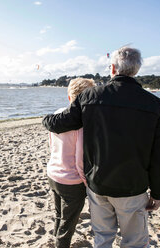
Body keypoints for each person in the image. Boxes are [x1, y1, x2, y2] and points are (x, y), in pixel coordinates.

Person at [42, 46, 160, 248]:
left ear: (112, 69)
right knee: (135, 242)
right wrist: (158, 192)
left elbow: (62, 122)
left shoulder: (90, 97)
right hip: (133, 186)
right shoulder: (154, 104)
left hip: (99, 183)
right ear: (136, 70)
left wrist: (46, 120)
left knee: (102, 238)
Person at [47, 78, 95, 248]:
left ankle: (55, 240)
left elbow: (52, 145)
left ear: (69, 97)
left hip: (53, 173)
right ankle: (60, 244)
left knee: (59, 214)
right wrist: (85, 182)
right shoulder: (82, 124)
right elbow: (80, 159)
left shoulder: (58, 114)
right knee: (68, 223)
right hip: (72, 180)